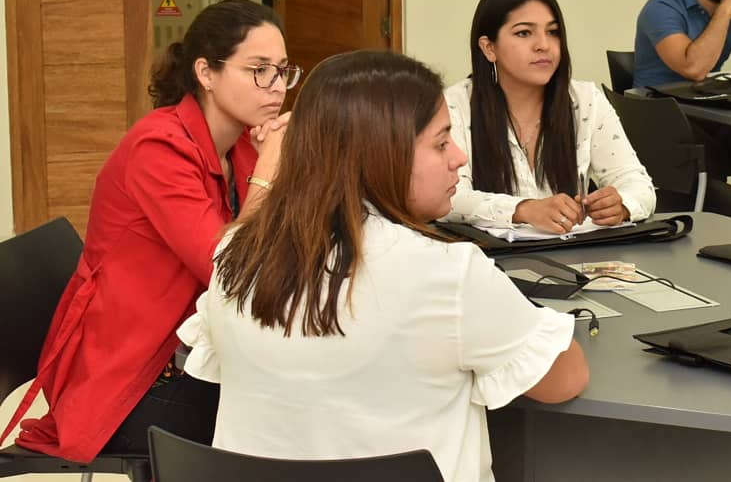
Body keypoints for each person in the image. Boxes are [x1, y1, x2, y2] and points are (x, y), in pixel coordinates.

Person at [177, 50, 588, 482]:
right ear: (382, 154)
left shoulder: (235, 257)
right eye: (441, 143)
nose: (459, 158)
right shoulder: (448, 273)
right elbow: (565, 379)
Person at [1, 0, 297, 462]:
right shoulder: (158, 148)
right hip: (128, 382)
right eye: (259, 70)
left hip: (186, 356)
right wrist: (268, 175)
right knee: (287, 417)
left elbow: (277, 251)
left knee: (305, 394)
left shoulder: (242, 145)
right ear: (206, 73)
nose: (276, 87)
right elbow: (229, 270)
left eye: (282, 71)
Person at [443, 0, 656, 234]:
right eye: (524, 33)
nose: (544, 45)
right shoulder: (453, 105)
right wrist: (524, 209)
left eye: (553, 32)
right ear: (489, 48)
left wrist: (621, 205)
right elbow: (448, 199)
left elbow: (639, 185)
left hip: (574, 254)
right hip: (487, 255)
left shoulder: (585, 100)